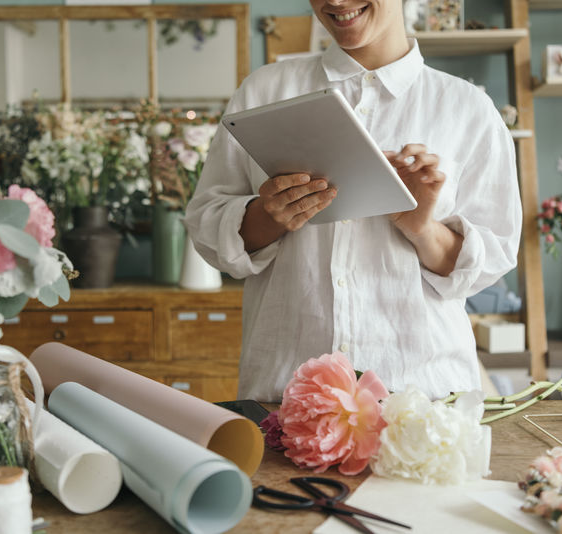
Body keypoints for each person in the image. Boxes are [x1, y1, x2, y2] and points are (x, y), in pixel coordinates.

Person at [184, 0, 522, 402]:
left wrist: (423, 229)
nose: (337, 2)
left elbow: (491, 259)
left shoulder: (467, 109)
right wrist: (268, 216)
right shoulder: (265, 91)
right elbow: (207, 222)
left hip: (422, 397)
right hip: (287, 393)